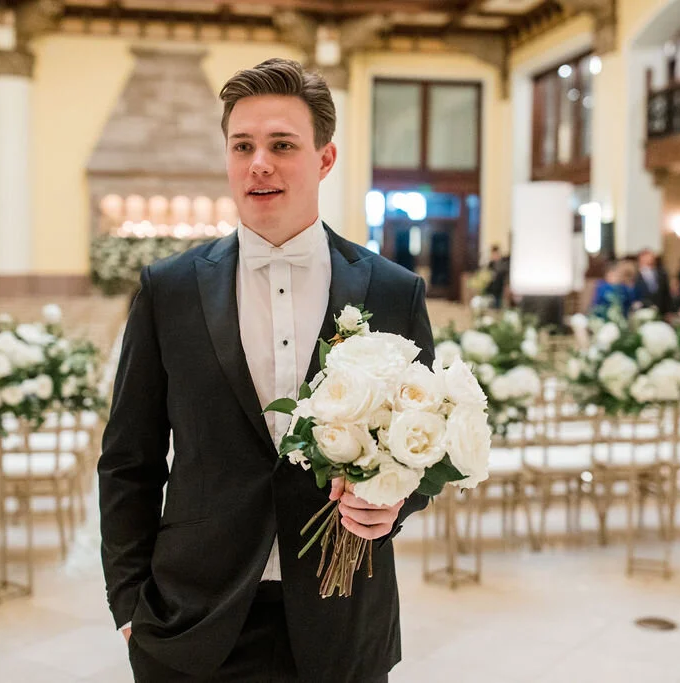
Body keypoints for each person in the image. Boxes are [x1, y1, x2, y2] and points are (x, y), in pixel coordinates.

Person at [99, 58, 433, 683]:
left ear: (324, 159)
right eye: (243, 146)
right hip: (193, 617)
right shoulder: (169, 290)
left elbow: (426, 446)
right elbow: (128, 459)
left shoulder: (393, 291)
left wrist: (398, 504)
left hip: (342, 615)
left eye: (282, 145)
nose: (260, 163)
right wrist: (128, 601)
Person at [632, 248, 673, 315]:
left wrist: (669, 311)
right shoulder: (635, 276)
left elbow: (666, 294)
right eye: (646, 257)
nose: (649, 259)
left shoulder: (662, 274)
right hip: (643, 312)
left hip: (661, 311)